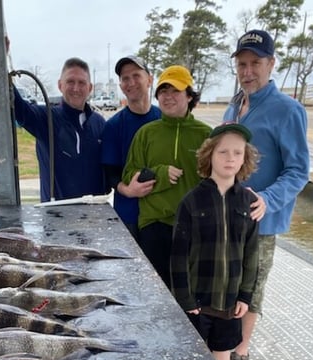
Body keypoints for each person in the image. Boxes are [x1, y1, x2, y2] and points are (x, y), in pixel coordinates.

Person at [224, 29, 310, 360]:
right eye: (242, 64)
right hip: (228, 217)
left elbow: (298, 170)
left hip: (261, 220)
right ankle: (225, 339)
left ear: (271, 64)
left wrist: (268, 199)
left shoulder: (288, 110)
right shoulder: (234, 105)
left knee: (252, 286)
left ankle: (241, 351)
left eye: (256, 63)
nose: (248, 71)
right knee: (229, 281)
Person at [171, 122, 260, 360]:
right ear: (209, 154)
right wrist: (184, 298)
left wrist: (245, 295)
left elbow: (252, 254)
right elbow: (178, 256)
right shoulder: (190, 202)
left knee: (222, 358)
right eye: (223, 152)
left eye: (237, 153)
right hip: (197, 302)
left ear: (245, 158)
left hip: (231, 304)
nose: (230, 158)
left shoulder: (250, 202)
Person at [121, 65, 212, 287]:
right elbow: (129, 174)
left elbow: (217, 181)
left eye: (175, 91)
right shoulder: (146, 133)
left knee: (188, 294)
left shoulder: (206, 135)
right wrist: (160, 174)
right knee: (156, 290)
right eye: (163, 91)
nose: (168, 97)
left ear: (189, 96)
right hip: (154, 224)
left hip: (193, 227)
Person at [12, 57, 107, 202]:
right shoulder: (46, 118)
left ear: (90, 88)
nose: (76, 88)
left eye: (82, 83)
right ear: (60, 85)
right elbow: (18, 107)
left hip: (94, 217)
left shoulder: (99, 123)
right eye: (70, 82)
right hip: (56, 216)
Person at [101, 55, 161, 240]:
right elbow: (110, 173)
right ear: (121, 86)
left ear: (149, 80)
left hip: (161, 216)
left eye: (136, 75)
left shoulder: (164, 119)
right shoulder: (113, 126)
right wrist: (128, 190)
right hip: (128, 217)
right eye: (125, 78)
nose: (131, 82)